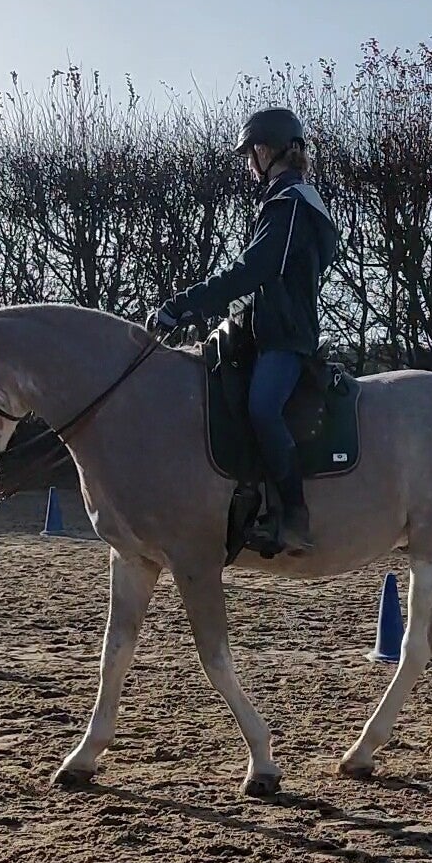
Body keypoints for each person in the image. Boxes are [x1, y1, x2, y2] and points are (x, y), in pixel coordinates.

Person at [153, 106, 339, 555]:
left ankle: (294, 516)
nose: (247, 164)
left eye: (249, 154)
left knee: (262, 409)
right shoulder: (284, 201)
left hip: (286, 340)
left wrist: (181, 305)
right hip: (265, 332)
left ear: (263, 150)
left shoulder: (289, 203)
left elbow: (253, 270)